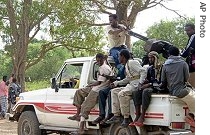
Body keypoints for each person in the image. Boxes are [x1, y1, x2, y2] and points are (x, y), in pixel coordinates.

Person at [67, 53, 112, 134]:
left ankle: (81, 129)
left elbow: (99, 83)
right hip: (95, 87)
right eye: (97, 61)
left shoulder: (104, 68)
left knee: (85, 106)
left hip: (97, 90)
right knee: (79, 92)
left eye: (99, 60)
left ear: (103, 59)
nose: (98, 62)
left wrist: (90, 84)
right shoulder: (102, 67)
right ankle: (77, 114)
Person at [106, 49, 147, 127]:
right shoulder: (127, 65)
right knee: (114, 91)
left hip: (135, 85)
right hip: (131, 84)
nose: (118, 58)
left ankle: (126, 117)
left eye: (119, 56)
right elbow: (128, 79)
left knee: (122, 93)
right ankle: (116, 115)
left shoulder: (132, 62)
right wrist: (116, 83)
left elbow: (143, 71)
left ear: (123, 57)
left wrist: (140, 83)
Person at [161, 46, 195, 131]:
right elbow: (186, 78)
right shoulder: (183, 63)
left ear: (169, 54)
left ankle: (191, 117)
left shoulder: (165, 65)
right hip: (182, 91)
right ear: (179, 53)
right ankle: (192, 120)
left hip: (172, 91)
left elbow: (163, 80)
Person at [130, 51, 167, 127]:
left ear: (156, 58)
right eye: (149, 58)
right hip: (151, 86)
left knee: (146, 91)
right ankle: (137, 115)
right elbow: (149, 79)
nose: (150, 59)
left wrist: (149, 84)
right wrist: (144, 82)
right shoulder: (150, 68)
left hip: (159, 87)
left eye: (152, 58)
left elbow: (161, 82)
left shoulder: (161, 67)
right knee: (135, 92)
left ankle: (142, 116)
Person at [107, 14, 127, 79]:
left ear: (116, 20)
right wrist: (122, 30)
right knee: (118, 56)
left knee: (129, 55)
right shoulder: (109, 27)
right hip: (114, 48)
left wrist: (126, 27)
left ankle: (129, 69)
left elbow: (129, 32)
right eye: (109, 20)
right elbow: (113, 33)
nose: (110, 22)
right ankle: (121, 71)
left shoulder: (122, 26)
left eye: (111, 20)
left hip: (122, 47)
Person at [181, 23, 195, 88]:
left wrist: (182, 54)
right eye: (186, 31)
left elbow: (188, 49)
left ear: (193, 29)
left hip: (192, 64)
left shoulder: (193, 36)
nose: (187, 32)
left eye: (188, 30)